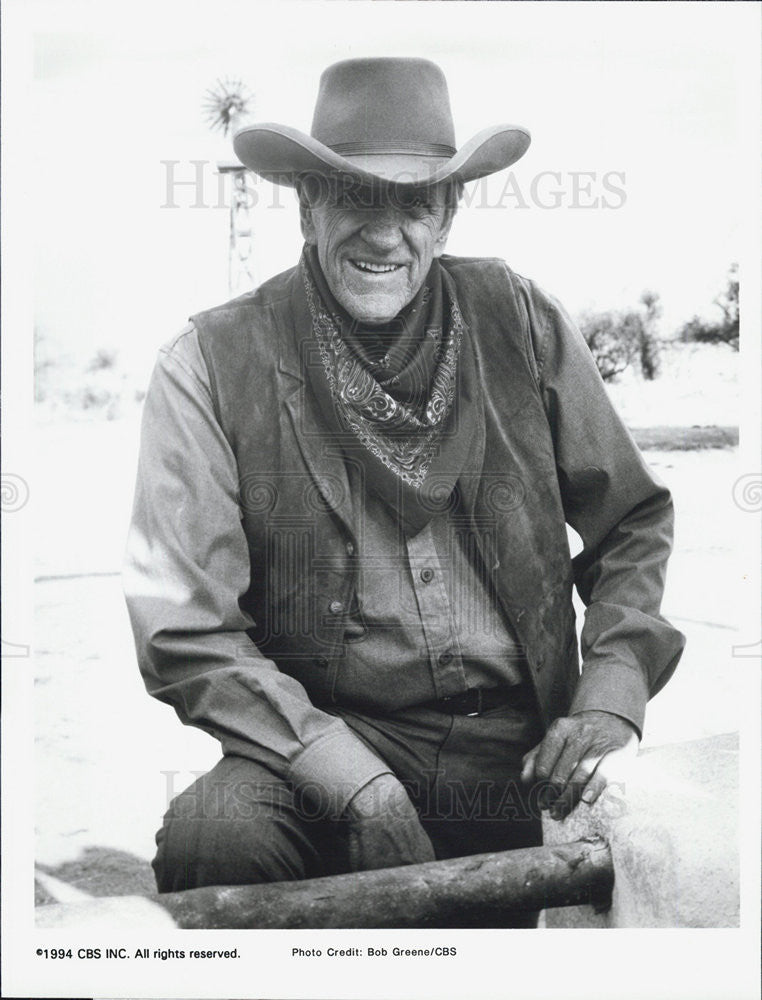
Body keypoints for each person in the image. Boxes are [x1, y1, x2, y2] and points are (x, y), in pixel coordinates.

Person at [124, 57, 685, 926]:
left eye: (413, 202)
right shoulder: (208, 363)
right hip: (322, 744)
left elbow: (632, 521)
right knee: (215, 836)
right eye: (354, 198)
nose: (384, 237)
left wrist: (613, 688)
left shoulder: (518, 316)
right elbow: (187, 630)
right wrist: (354, 782)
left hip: (519, 746)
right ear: (306, 204)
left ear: (449, 213)